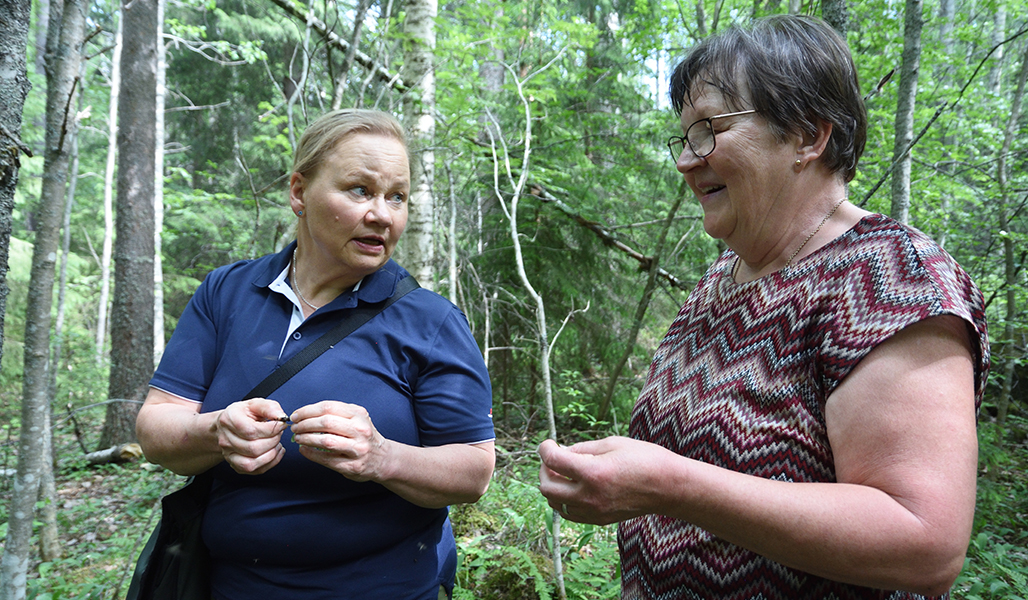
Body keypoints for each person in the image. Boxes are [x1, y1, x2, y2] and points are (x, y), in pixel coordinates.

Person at [538, 15, 988, 600]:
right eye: (684, 138)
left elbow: (924, 541)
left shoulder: (894, 281)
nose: (685, 160)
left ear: (807, 134)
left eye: (708, 131)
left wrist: (670, 485)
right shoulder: (723, 278)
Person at [136, 109, 495, 600]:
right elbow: (157, 428)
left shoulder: (431, 322)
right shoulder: (227, 292)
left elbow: (473, 470)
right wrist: (215, 431)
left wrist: (381, 456)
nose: (383, 214)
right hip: (230, 586)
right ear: (299, 192)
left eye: (397, 197)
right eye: (360, 190)